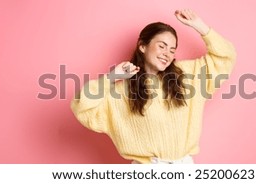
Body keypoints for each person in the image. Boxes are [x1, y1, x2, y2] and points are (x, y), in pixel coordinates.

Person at [71, 9, 236, 164]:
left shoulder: (188, 76)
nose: (167, 53)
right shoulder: (121, 91)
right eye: (162, 46)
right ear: (142, 46)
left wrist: (200, 26)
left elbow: (226, 56)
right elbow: (82, 106)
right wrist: (111, 78)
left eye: (172, 50)